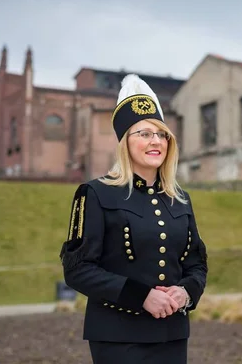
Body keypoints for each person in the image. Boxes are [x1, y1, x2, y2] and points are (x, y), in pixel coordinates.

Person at [59, 74, 208, 364]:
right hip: (118, 338)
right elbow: (77, 270)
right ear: (124, 142)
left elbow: (196, 265)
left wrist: (185, 292)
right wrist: (140, 296)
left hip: (172, 336)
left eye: (161, 134)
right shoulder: (94, 194)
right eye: (144, 133)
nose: (156, 141)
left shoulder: (180, 198)